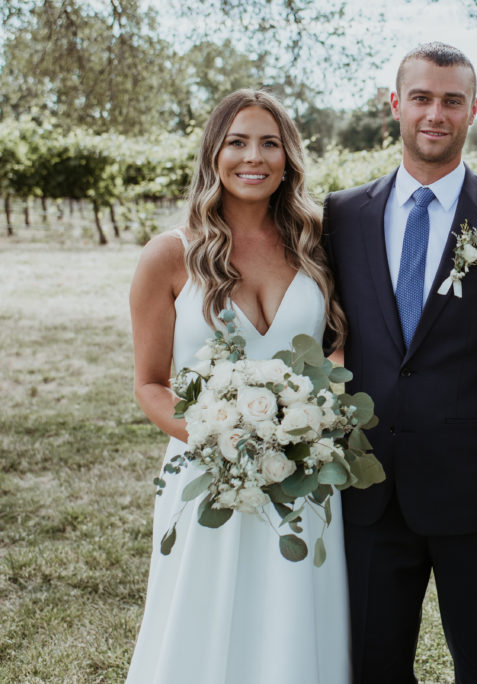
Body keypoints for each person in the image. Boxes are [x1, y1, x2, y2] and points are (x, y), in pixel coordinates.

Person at [322, 42, 477, 683]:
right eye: (422, 98)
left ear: (473, 110)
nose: (436, 114)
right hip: (368, 487)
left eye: (452, 101)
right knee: (372, 667)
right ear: (395, 104)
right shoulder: (341, 215)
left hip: (475, 495)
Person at [127, 89, 351, 683]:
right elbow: (149, 383)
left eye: (270, 143)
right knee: (203, 623)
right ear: (214, 153)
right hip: (208, 473)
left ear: (288, 157)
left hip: (303, 473)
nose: (254, 157)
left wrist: (308, 424)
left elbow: (338, 349)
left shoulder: (319, 246)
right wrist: (222, 443)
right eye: (238, 142)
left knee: (293, 621)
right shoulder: (169, 255)